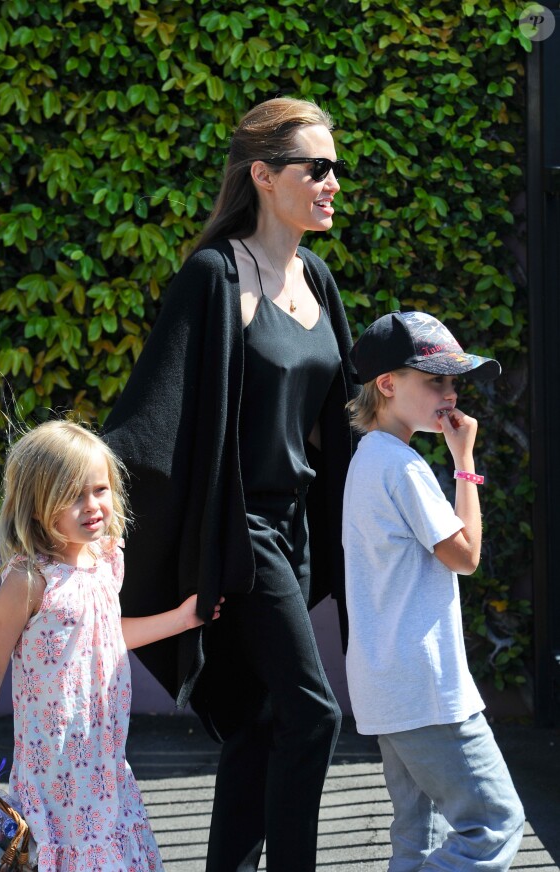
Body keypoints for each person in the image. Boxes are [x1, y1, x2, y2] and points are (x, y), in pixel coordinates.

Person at [102, 97, 357, 872]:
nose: (333, 183)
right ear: (263, 175)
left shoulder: (315, 276)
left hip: (295, 530)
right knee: (313, 716)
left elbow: (338, 419)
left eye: (336, 169)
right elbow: (149, 420)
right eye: (316, 168)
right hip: (242, 532)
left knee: (258, 721)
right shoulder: (214, 277)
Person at [0, 419, 222, 871]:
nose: (92, 505)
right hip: (53, 771)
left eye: (99, 490)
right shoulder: (29, 580)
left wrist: (183, 619)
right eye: (73, 495)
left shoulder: (106, 560)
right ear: (37, 507)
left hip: (104, 759)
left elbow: (107, 637)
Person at [343, 310, 525, 871]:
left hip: (386, 685)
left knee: (419, 834)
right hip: (427, 686)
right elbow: (466, 556)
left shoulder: (368, 459)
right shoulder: (403, 466)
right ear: (388, 384)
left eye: (453, 381)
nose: (450, 394)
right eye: (434, 380)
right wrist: (465, 461)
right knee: (494, 824)